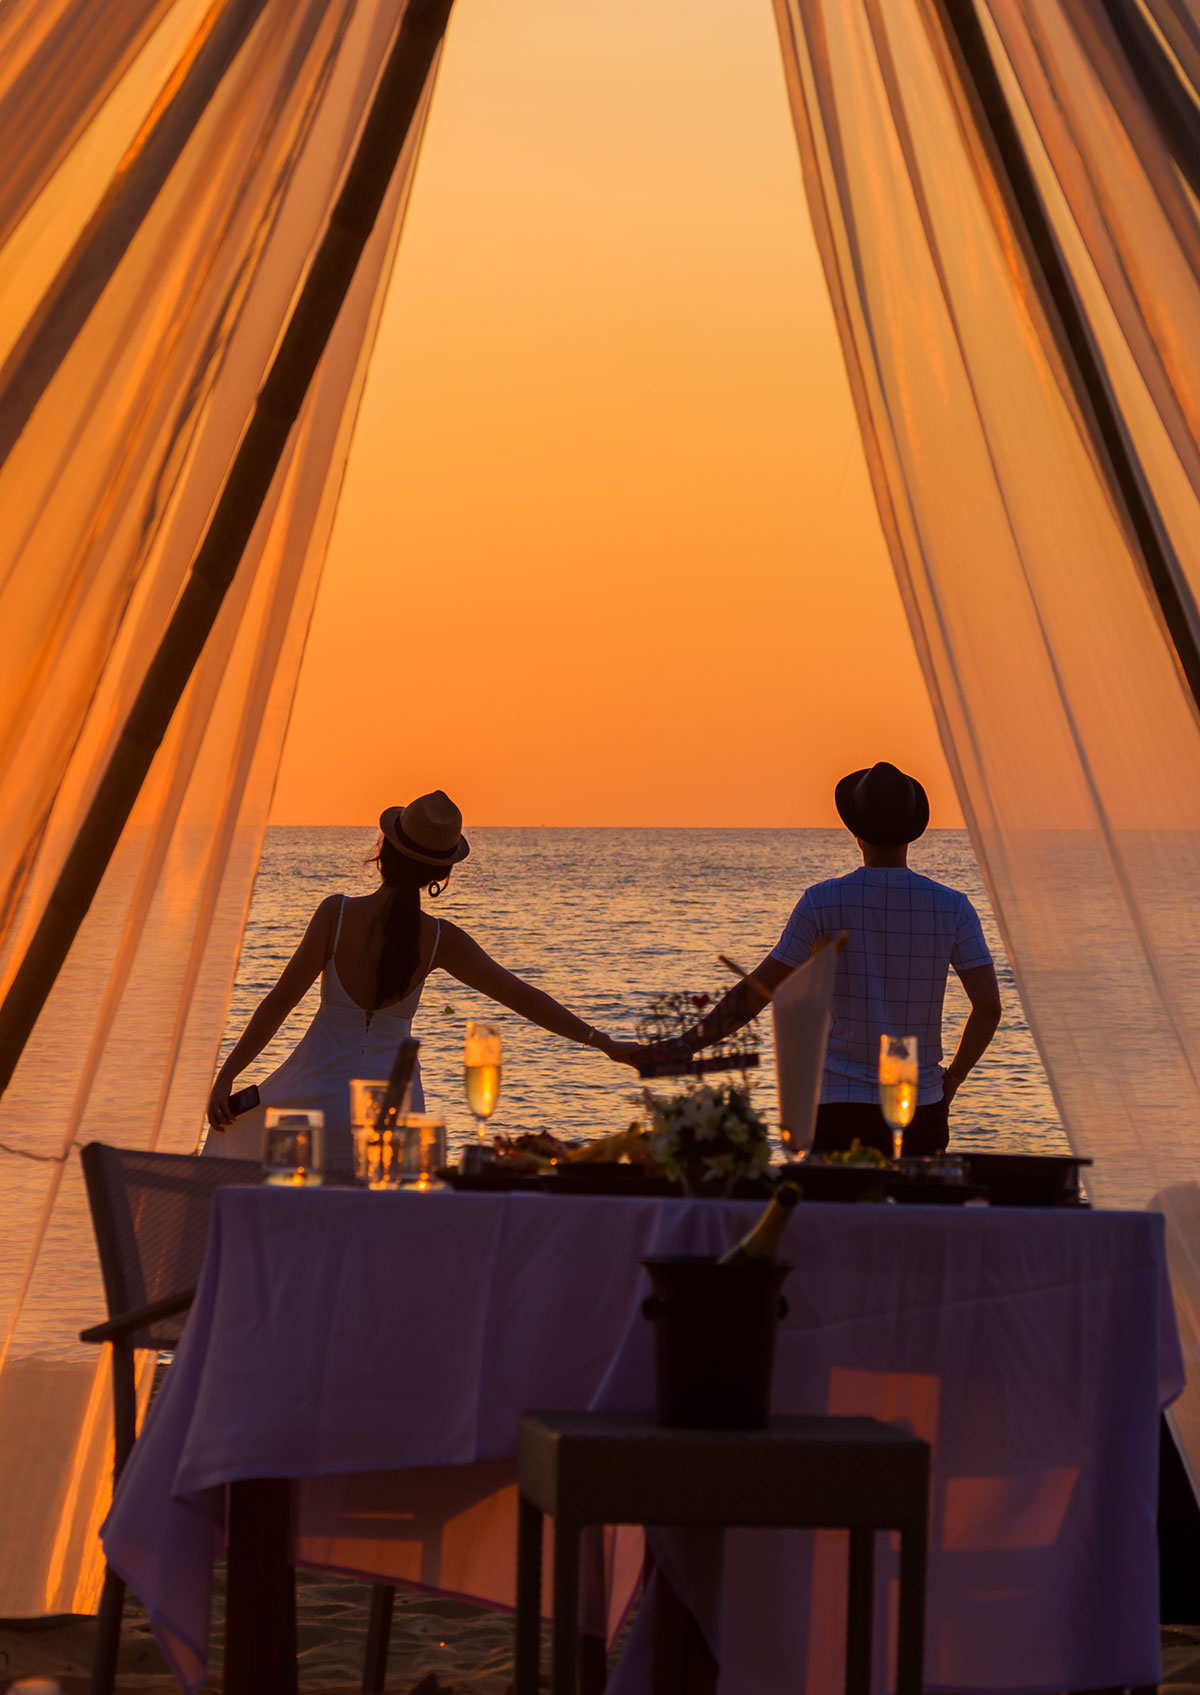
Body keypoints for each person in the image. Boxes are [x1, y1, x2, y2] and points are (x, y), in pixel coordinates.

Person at [206, 790, 637, 1169]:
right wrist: (605, 1043)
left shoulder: (335, 915)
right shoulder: (439, 940)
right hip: (395, 1112)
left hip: (313, 1100)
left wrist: (227, 1077)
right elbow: (524, 998)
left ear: (383, 852)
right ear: (439, 877)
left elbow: (279, 1003)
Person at [632, 762, 1001, 1157]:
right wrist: (954, 1078)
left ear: (855, 833)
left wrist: (687, 1045)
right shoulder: (952, 908)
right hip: (920, 1100)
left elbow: (759, 991)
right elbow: (988, 1007)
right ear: (913, 833)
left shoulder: (822, 902)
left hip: (836, 1103)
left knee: (830, 1217)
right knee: (914, 1218)